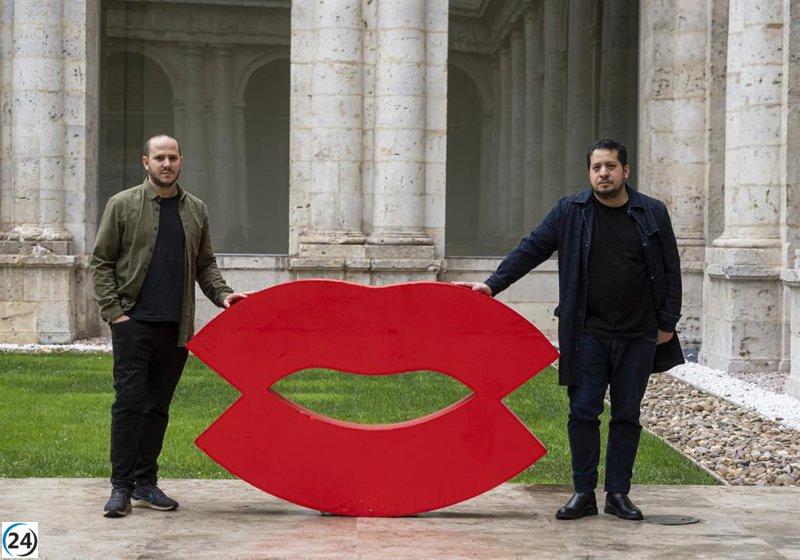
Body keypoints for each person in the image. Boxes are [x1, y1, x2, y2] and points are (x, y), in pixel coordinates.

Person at [455, 138, 683, 521]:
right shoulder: (571, 211)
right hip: (586, 334)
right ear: (589, 173)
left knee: (627, 414)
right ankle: (583, 493)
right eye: (596, 167)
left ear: (625, 171)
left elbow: (670, 269)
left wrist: (667, 323)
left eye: (610, 166)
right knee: (582, 412)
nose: (603, 174)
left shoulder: (652, 212)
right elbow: (533, 247)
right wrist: (493, 285)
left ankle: (618, 494)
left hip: (637, 334)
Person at [91, 134, 249, 518]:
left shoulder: (196, 210)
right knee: (128, 405)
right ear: (145, 162)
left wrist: (224, 295)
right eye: (159, 157)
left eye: (172, 157)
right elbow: (101, 262)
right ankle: (120, 487)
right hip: (133, 324)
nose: (167, 164)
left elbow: (205, 264)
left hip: (175, 328)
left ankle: (145, 483)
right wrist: (115, 314)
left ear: (181, 161)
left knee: (157, 407)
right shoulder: (122, 204)